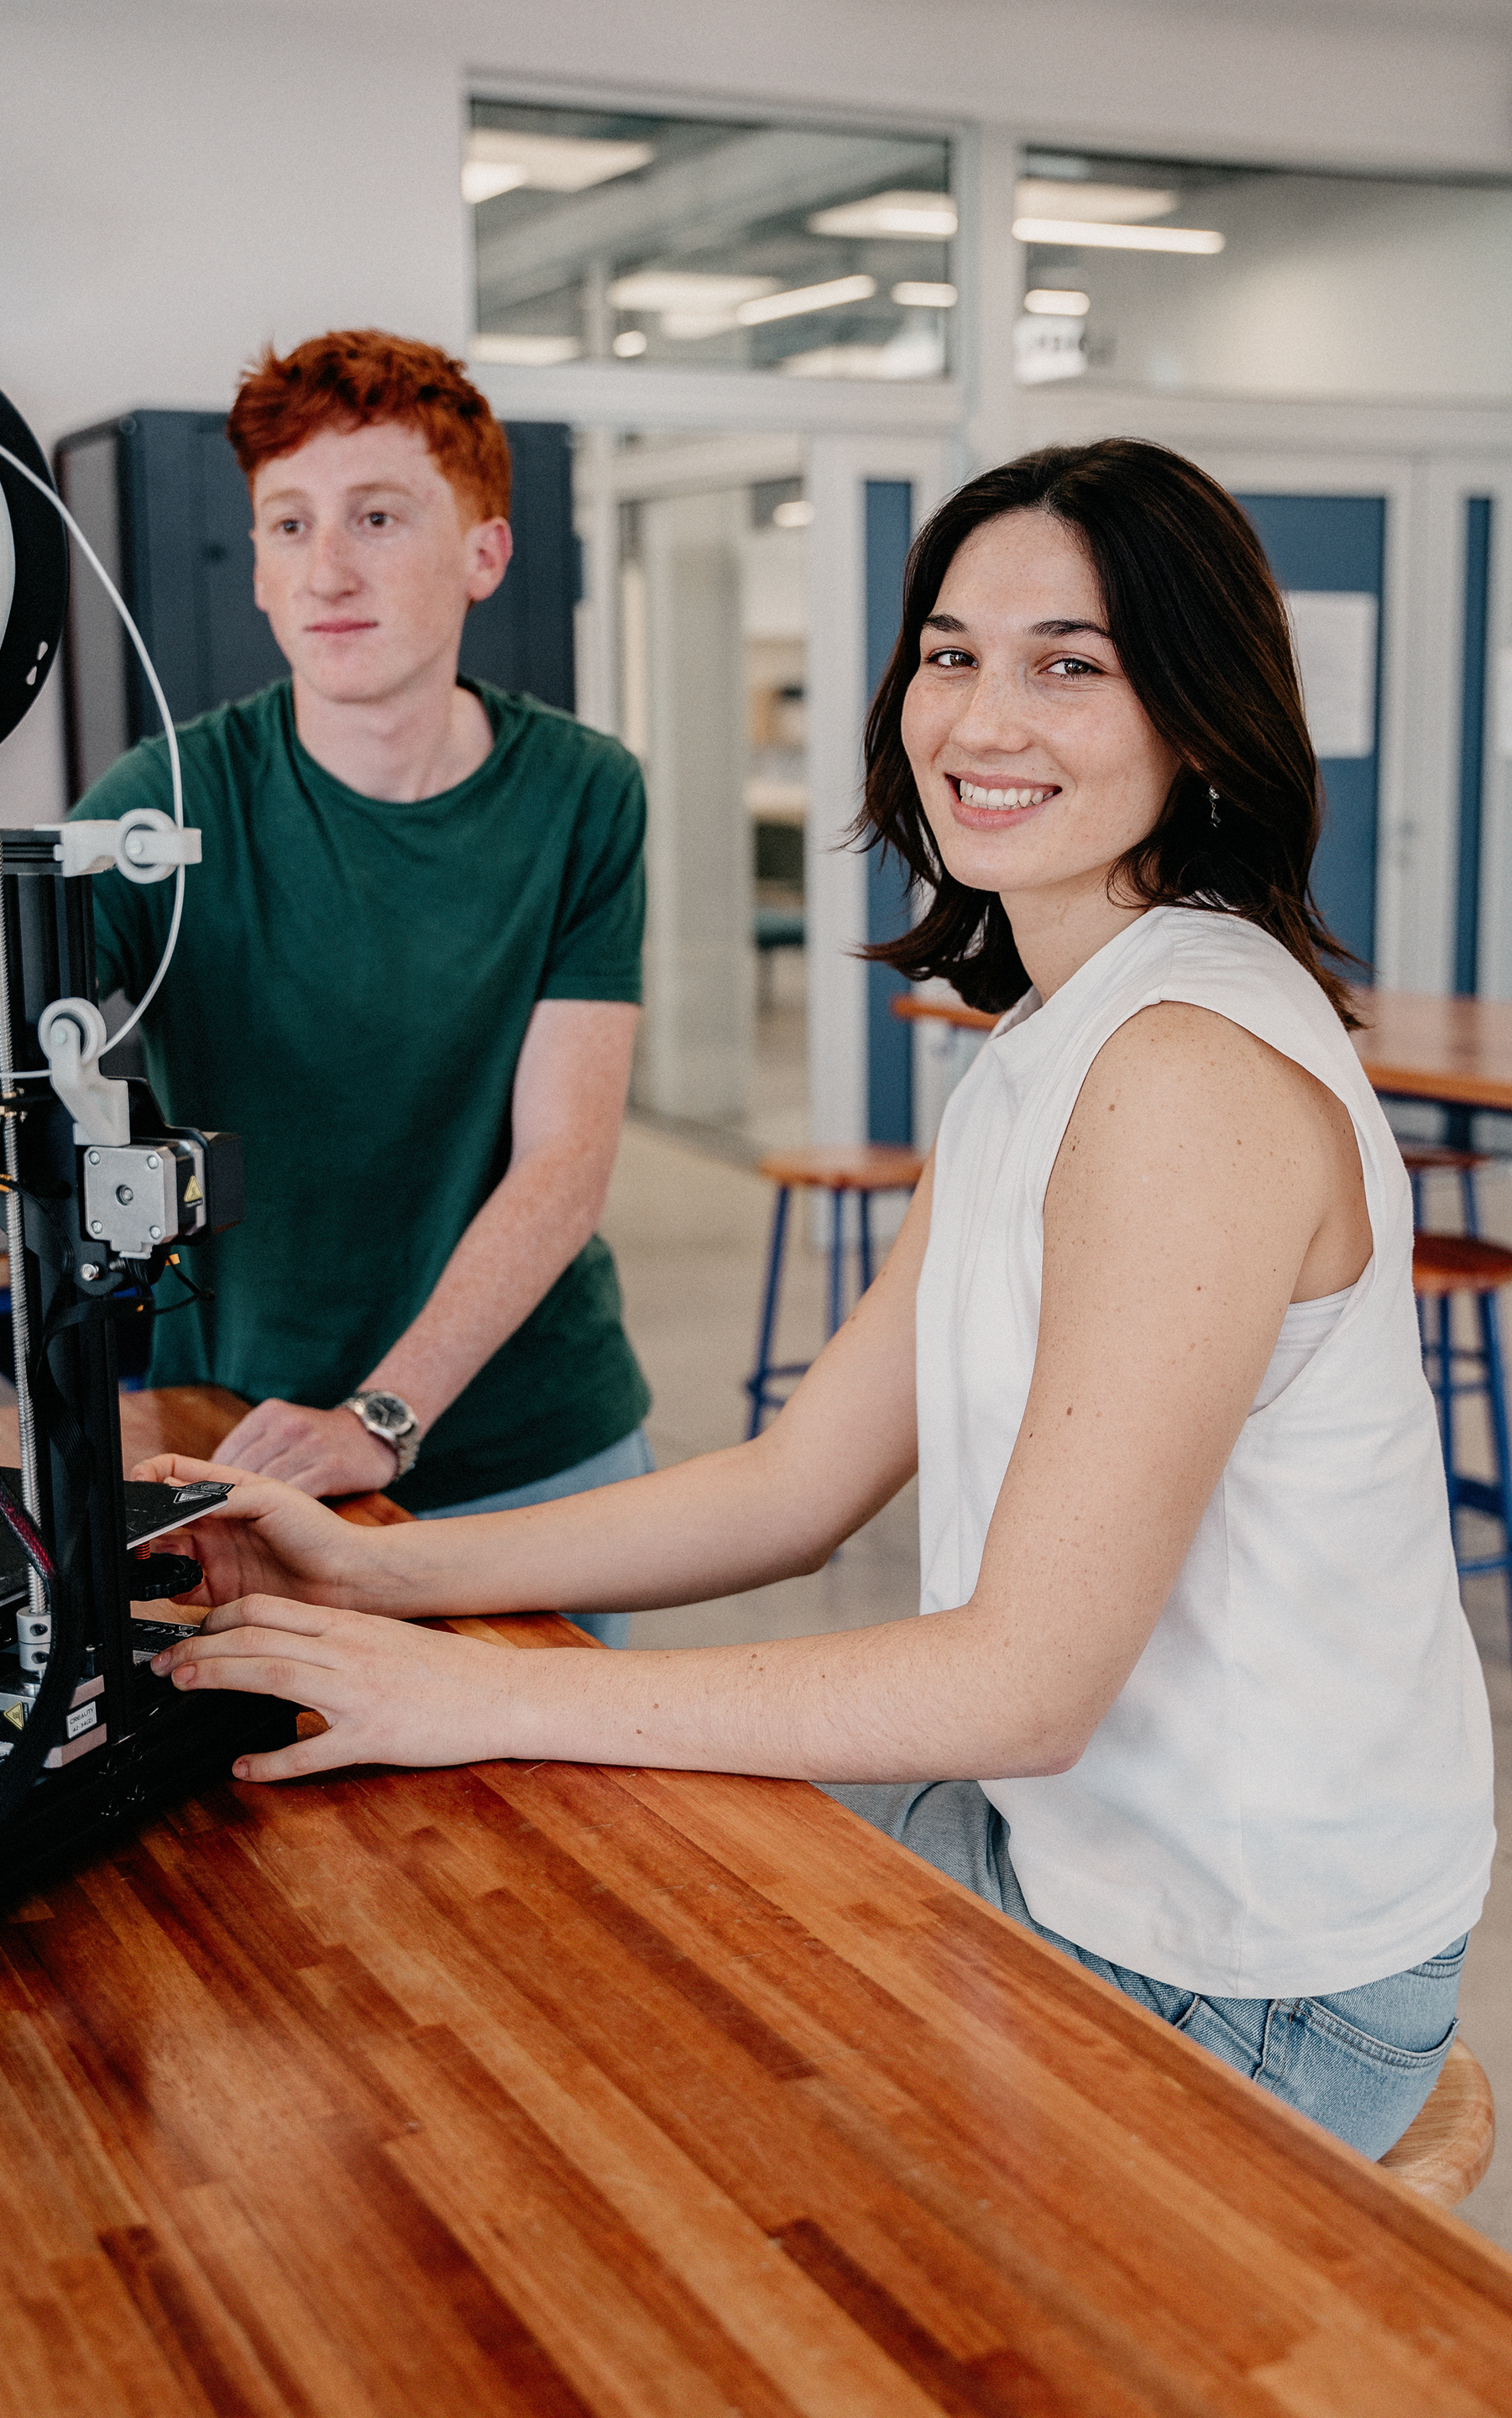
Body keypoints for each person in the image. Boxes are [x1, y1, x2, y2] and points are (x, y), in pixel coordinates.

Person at [137, 439, 1494, 2162]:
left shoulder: (1187, 1074)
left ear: (1202, 717)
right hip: (1067, 1841)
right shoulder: (1046, 1037)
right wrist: (389, 1567)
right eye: (951, 653)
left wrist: (478, 1689)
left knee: (594, 2109)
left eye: (1068, 665)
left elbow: (1022, 1685)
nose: (981, 722)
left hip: (1243, 1974)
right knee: (540, 1922)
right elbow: (800, 1485)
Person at [0, 332, 652, 1636]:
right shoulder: (166, 806)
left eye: (379, 516)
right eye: (288, 523)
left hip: (534, 1454)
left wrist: (384, 1415)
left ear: (484, 551)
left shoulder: (581, 792)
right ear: (255, 565)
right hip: (251, 1450)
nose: (328, 569)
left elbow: (564, 1161)